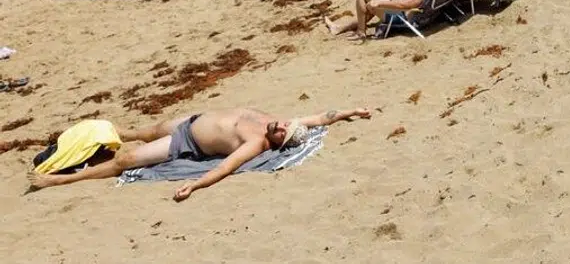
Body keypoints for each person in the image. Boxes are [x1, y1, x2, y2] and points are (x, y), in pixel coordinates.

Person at [27, 106, 371, 200]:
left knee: (127, 161)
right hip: (191, 119)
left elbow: (225, 168)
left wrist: (195, 185)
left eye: (283, 134)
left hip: (186, 142)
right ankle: (100, 137)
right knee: (143, 130)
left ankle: (56, 181)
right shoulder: (277, 122)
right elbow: (319, 117)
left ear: (278, 144)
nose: (281, 127)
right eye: (285, 125)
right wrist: (350, 112)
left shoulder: (257, 143)